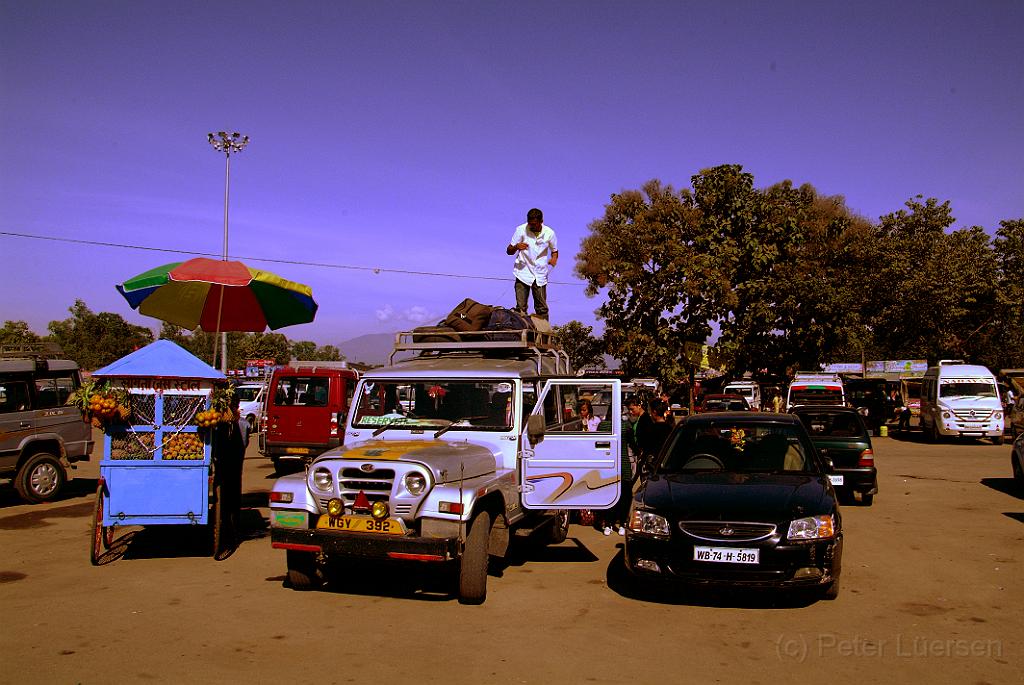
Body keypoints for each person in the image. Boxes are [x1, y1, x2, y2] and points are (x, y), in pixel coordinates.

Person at [506, 207, 558, 320]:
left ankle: (543, 335)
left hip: (540, 274)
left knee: (542, 309)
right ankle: (522, 334)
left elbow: (555, 251)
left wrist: (554, 259)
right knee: (520, 309)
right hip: (522, 272)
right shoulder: (520, 230)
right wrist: (516, 247)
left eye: (534, 224)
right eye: (530, 224)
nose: (531, 227)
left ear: (541, 222)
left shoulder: (549, 233)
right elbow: (509, 250)